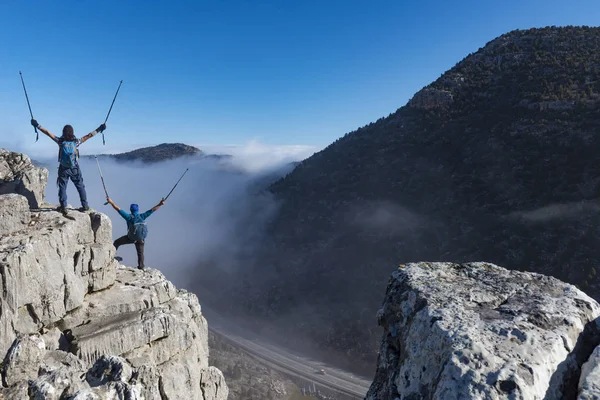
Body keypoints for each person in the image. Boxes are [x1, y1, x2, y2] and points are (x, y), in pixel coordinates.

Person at [31, 119, 106, 215]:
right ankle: (85, 205)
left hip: (63, 168)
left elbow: (48, 133)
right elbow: (89, 136)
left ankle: (63, 207)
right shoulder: (76, 142)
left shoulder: (60, 141)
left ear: (63, 132)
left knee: (62, 187)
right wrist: (100, 128)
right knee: (80, 186)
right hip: (74, 168)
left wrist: (37, 125)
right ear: (72, 132)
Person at [105, 196, 166, 270]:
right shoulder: (142, 216)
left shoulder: (129, 217)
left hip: (131, 238)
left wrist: (111, 202)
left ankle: (111, 257)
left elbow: (118, 209)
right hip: (141, 238)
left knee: (117, 242)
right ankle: (141, 266)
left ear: (131, 210)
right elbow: (152, 210)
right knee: (140, 253)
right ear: (138, 210)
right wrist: (160, 204)